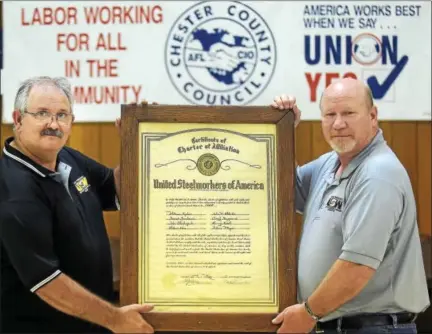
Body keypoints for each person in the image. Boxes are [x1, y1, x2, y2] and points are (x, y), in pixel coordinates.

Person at [270, 78, 430, 334]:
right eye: (330, 114)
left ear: (372, 115)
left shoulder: (378, 174)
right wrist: (283, 129)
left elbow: (357, 266)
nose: (338, 123)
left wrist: (308, 313)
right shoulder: (329, 164)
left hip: (372, 327)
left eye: (348, 113)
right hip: (335, 324)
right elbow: (285, 192)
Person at [0, 76, 154, 333]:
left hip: (90, 321)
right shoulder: (14, 190)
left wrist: (133, 142)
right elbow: (47, 282)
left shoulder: (65, 157)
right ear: (18, 119)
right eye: (42, 113)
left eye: (62, 115)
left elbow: (117, 190)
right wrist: (115, 319)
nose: (53, 124)